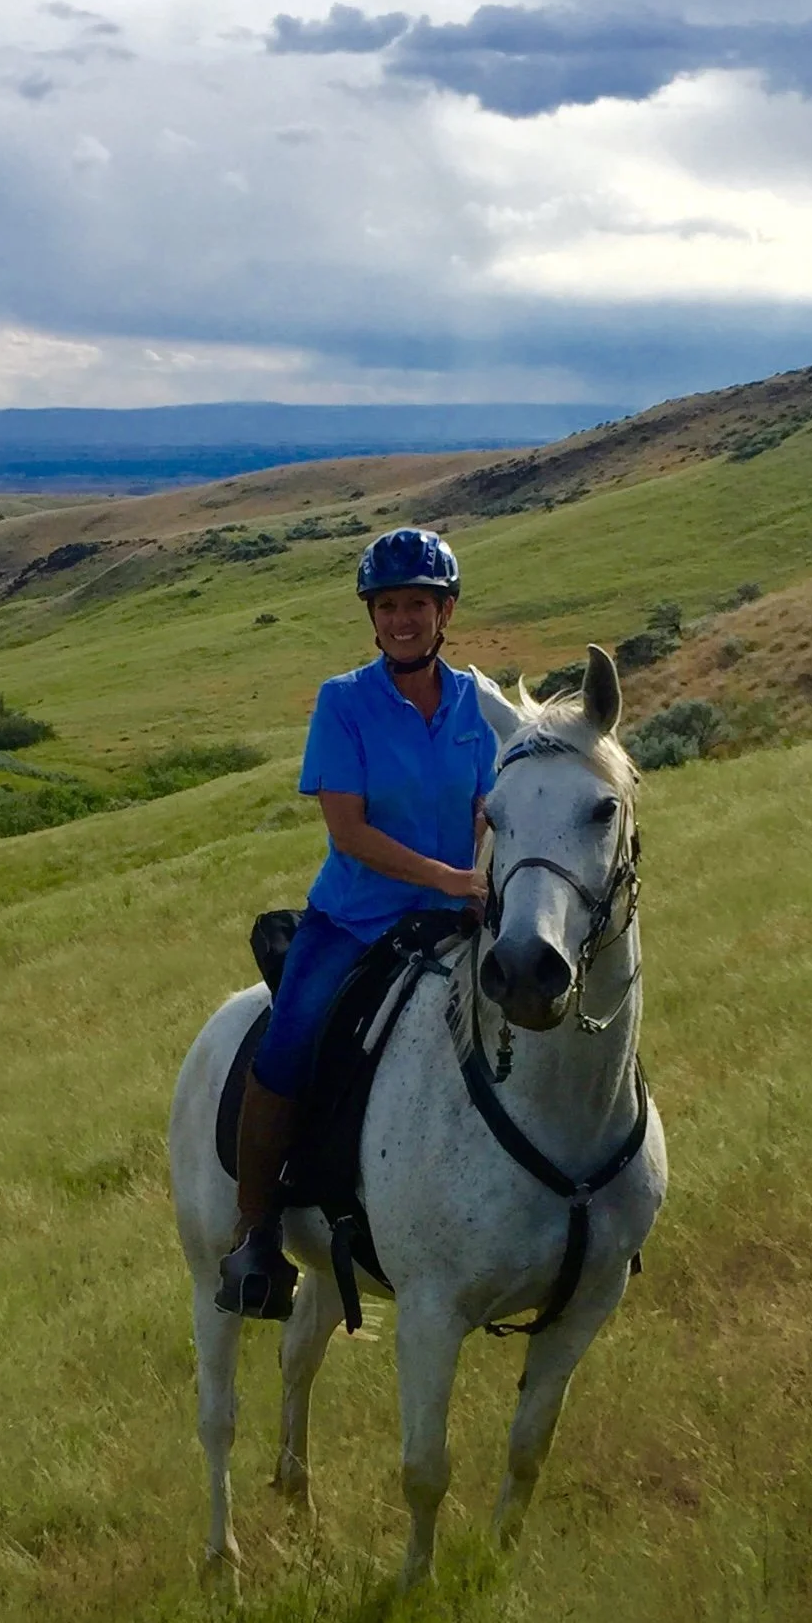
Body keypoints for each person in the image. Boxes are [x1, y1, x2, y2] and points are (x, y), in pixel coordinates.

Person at [216, 527, 495, 1320]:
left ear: (445, 611)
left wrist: (481, 880)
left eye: (418, 603)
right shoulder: (343, 702)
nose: (403, 619)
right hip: (355, 918)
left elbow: (487, 803)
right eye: (388, 606)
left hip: (457, 914)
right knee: (289, 1043)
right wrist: (450, 877)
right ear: (371, 618)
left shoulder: (478, 701)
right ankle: (254, 1237)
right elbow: (349, 832)